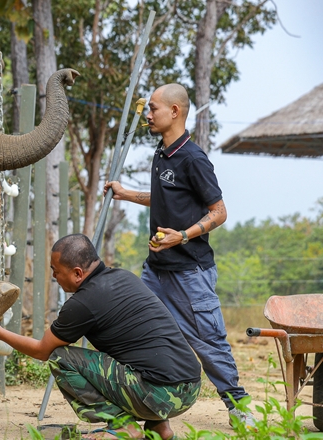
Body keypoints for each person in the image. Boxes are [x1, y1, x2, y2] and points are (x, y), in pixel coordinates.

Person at [103, 83, 256, 429]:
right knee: (138, 330)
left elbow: (219, 212)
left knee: (207, 340)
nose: (147, 113)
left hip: (190, 272)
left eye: (153, 108)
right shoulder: (161, 153)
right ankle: (141, 404)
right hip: (155, 270)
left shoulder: (194, 159)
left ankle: (238, 406)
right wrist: (126, 194)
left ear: (175, 111)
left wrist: (182, 236)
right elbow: (164, 198)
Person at [0, 234, 201, 439]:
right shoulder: (123, 277)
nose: (55, 278)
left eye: (56, 272)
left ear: (78, 273)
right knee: (135, 356)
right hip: (190, 388)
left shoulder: (82, 303)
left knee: (61, 357)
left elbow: (42, 351)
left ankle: (124, 428)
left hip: (160, 394)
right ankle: (160, 430)